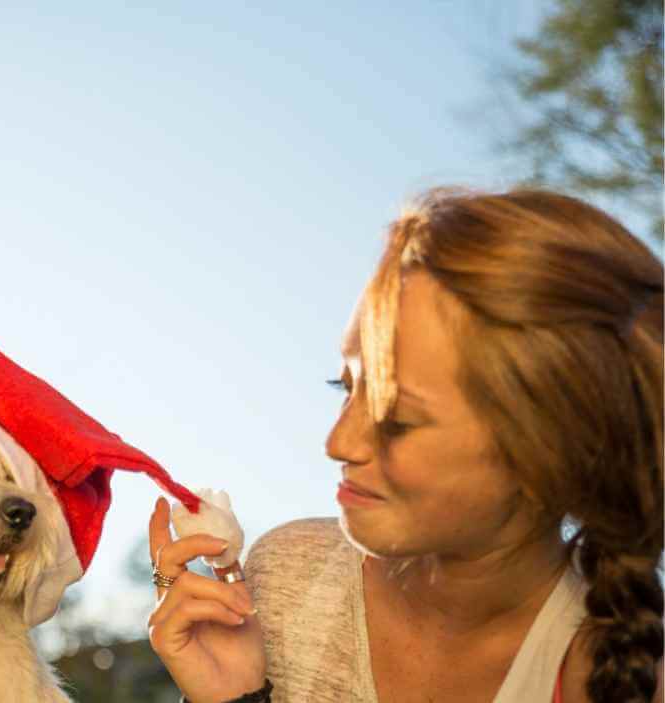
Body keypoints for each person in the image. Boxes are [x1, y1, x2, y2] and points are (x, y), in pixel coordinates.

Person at [148, 188, 663, 702]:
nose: (337, 442)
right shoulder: (287, 582)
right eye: (345, 388)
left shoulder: (625, 676)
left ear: (551, 448)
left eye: (397, 419)